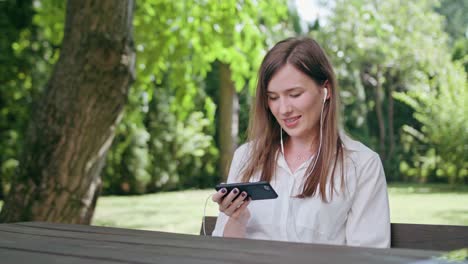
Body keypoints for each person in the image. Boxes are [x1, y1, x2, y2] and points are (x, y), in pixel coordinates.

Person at [211, 37, 390, 248]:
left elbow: (369, 257)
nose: (283, 109)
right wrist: (236, 220)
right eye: (273, 97)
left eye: (294, 94)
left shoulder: (362, 165)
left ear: (326, 90)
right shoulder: (247, 156)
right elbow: (224, 254)